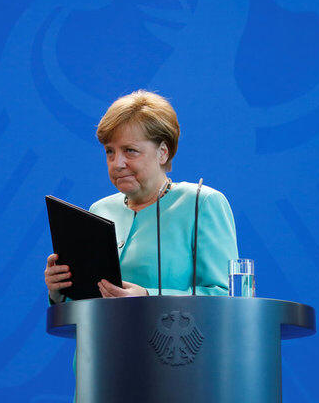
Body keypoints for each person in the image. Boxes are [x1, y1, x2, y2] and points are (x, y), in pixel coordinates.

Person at [44, 89, 238, 302]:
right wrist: (60, 291)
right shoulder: (99, 210)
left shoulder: (201, 203)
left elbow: (224, 295)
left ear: (162, 152)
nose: (117, 163)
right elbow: (91, 300)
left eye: (130, 150)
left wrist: (146, 297)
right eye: (110, 151)